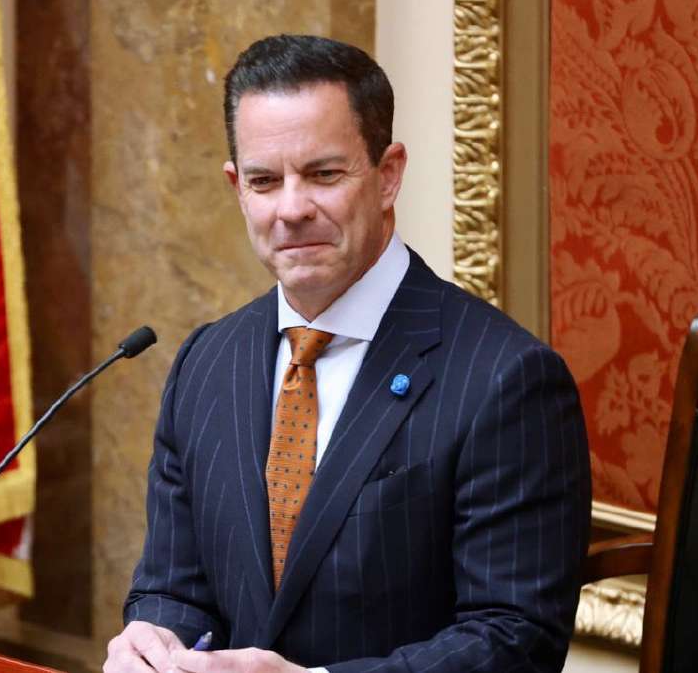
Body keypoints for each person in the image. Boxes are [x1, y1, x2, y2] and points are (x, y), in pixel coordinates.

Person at [104, 35, 590, 673]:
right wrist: (153, 640)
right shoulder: (206, 361)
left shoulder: (507, 379)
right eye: (264, 181)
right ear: (236, 186)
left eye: (324, 175)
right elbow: (175, 588)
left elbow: (514, 640)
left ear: (388, 175)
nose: (291, 209)